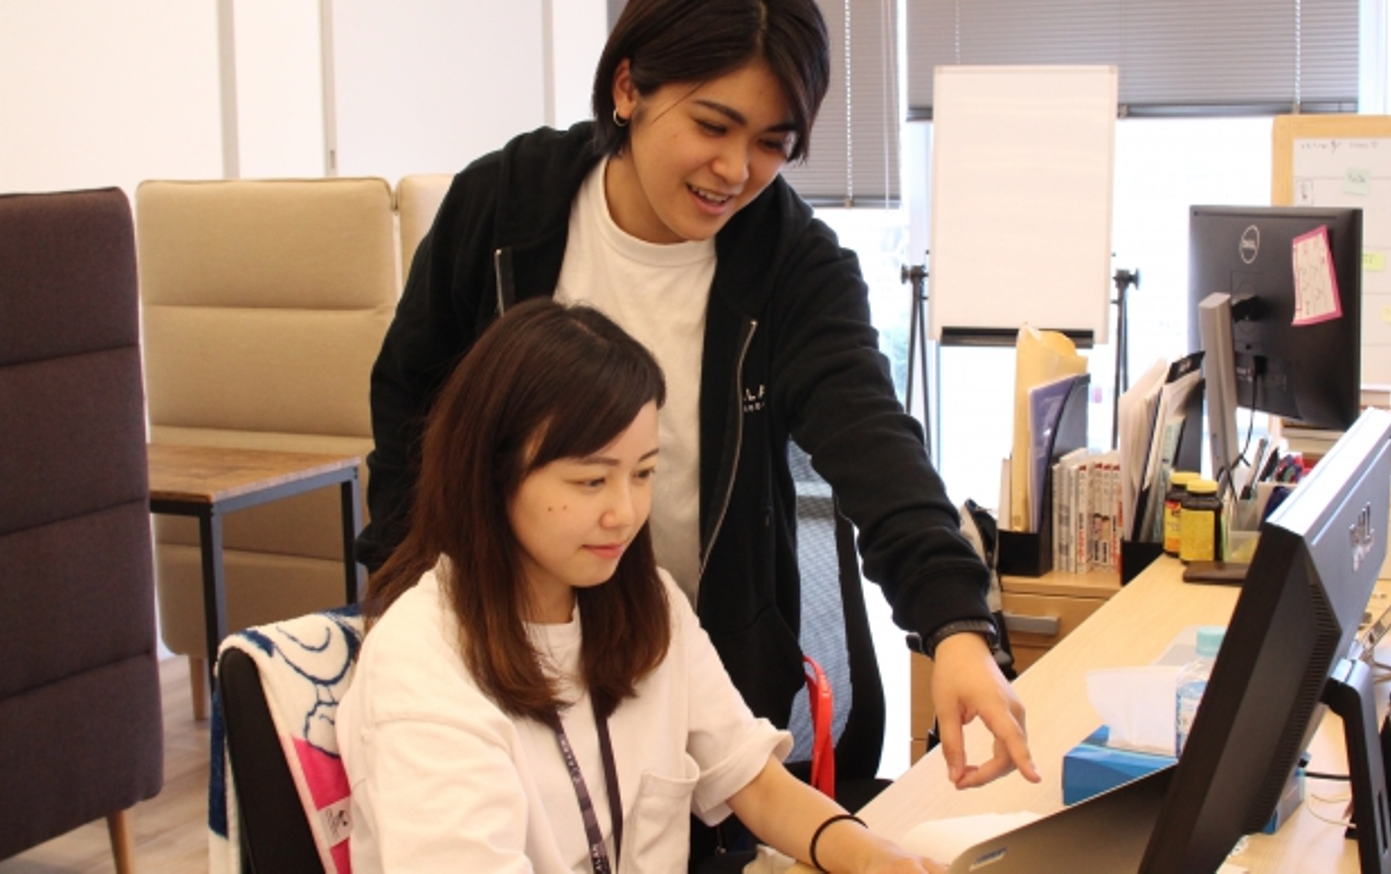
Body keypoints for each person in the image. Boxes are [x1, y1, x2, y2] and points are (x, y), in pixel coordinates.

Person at [359, 0, 1038, 836]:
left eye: (772, 144)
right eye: (713, 125)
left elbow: (875, 445)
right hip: (495, 652)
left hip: (684, 669)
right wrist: (419, 606)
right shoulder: (504, 207)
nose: (735, 169)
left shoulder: (792, 267)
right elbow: (413, 416)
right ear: (630, 87)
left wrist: (955, 626)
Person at [337, 299, 945, 873]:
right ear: (493, 474)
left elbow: (752, 780)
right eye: (591, 481)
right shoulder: (423, 663)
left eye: (643, 473)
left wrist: (873, 857)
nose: (625, 514)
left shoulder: (646, 604)